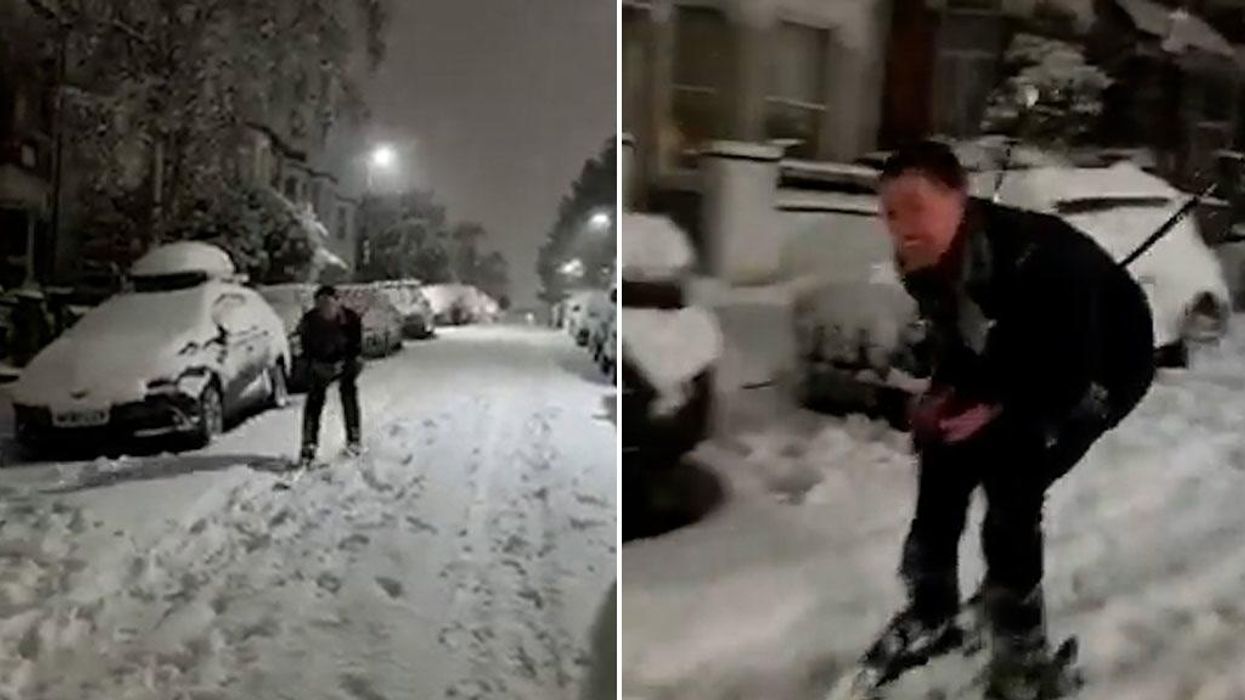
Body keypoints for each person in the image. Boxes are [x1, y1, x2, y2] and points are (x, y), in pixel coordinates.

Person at [862, 141, 1155, 698]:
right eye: (890, 213)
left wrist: (998, 407)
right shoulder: (923, 259)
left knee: (1013, 472)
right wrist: (945, 393)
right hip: (1020, 355)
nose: (902, 227)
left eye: (916, 207)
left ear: (960, 197)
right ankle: (931, 604)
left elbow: (1067, 369)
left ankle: (1022, 646)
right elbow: (959, 337)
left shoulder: (1036, 256)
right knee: (940, 446)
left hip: (1103, 367)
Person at [297, 285, 364, 465]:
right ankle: (309, 444)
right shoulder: (309, 321)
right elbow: (306, 350)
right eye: (321, 304)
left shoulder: (350, 319)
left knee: (348, 393)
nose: (325, 308)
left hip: (345, 360)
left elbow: (356, 348)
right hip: (321, 362)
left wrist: (346, 363)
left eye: (329, 303)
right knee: (314, 400)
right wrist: (316, 365)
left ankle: (354, 437)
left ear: (337, 303)